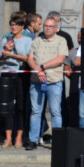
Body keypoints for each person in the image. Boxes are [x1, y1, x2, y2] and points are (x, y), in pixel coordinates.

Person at [25, 15, 68, 149]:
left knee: (55, 111)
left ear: (56, 28)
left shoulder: (61, 41)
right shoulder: (37, 41)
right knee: (36, 111)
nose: (47, 28)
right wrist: (37, 68)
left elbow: (60, 59)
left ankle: (58, 141)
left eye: (50, 26)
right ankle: (33, 139)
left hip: (54, 82)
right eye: (45, 26)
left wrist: (42, 66)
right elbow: (30, 58)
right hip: (36, 81)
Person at [0, 14, 32, 148]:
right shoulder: (6, 39)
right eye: (12, 24)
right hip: (7, 73)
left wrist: (12, 54)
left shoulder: (27, 40)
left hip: (21, 74)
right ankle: (8, 138)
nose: (14, 27)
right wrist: (5, 50)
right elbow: (0, 58)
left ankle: (19, 137)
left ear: (22, 27)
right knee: (7, 107)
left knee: (20, 107)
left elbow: (28, 58)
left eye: (16, 25)